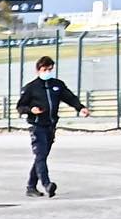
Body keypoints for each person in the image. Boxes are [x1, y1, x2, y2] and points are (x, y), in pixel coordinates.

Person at [16, 55, 90, 197]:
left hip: (50, 126)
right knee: (41, 155)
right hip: (37, 126)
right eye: (45, 69)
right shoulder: (31, 88)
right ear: (38, 70)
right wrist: (31, 110)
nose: (47, 72)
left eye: (50, 69)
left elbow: (70, 97)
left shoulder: (57, 85)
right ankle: (47, 184)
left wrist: (80, 108)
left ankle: (31, 187)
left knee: (41, 157)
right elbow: (20, 107)